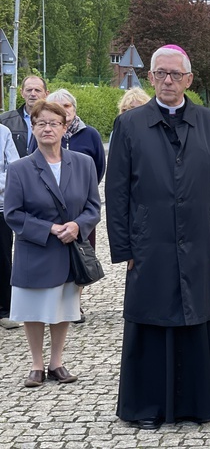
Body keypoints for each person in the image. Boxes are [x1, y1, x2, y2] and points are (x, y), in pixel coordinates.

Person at [106, 44, 210, 430]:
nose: (167, 80)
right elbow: (116, 192)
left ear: (189, 80)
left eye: (175, 74)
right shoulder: (129, 126)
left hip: (199, 239)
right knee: (151, 317)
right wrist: (123, 247)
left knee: (196, 316)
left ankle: (197, 403)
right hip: (149, 241)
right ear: (150, 78)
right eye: (160, 73)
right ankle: (146, 406)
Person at [4, 99, 101, 387]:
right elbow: (13, 214)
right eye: (41, 123)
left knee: (62, 308)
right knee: (34, 310)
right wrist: (49, 228)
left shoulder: (83, 164)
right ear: (32, 128)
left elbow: (93, 207)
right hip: (36, 248)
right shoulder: (20, 168)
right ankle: (36, 365)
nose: (48, 128)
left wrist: (77, 225)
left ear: (65, 127)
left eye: (54, 123)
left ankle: (57, 362)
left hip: (68, 249)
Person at [30, 89, 106, 325]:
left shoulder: (89, 134)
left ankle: (75, 304)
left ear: (74, 109)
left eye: (67, 106)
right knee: (52, 258)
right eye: (56, 106)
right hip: (47, 209)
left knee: (80, 258)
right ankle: (51, 304)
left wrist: (81, 195)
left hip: (80, 210)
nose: (63, 109)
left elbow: (99, 168)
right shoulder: (42, 133)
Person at [0, 124, 20, 330]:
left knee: (3, 258)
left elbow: (13, 168)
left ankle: (5, 309)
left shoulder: (3, 132)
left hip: (0, 207)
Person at [0, 76, 49, 157]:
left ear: (46, 94)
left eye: (37, 90)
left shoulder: (54, 122)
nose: (33, 94)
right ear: (22, 93)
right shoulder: (5, 121)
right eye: (29, 90)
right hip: (14, 168)